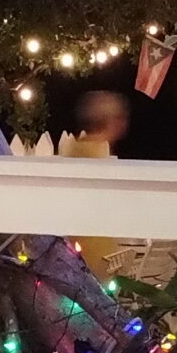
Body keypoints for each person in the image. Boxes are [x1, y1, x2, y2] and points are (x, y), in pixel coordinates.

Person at [63, 90, 128, 272]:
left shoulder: (77, 147)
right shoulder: (92, 154)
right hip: (92, 255)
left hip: (85, 251)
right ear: (110, 121)